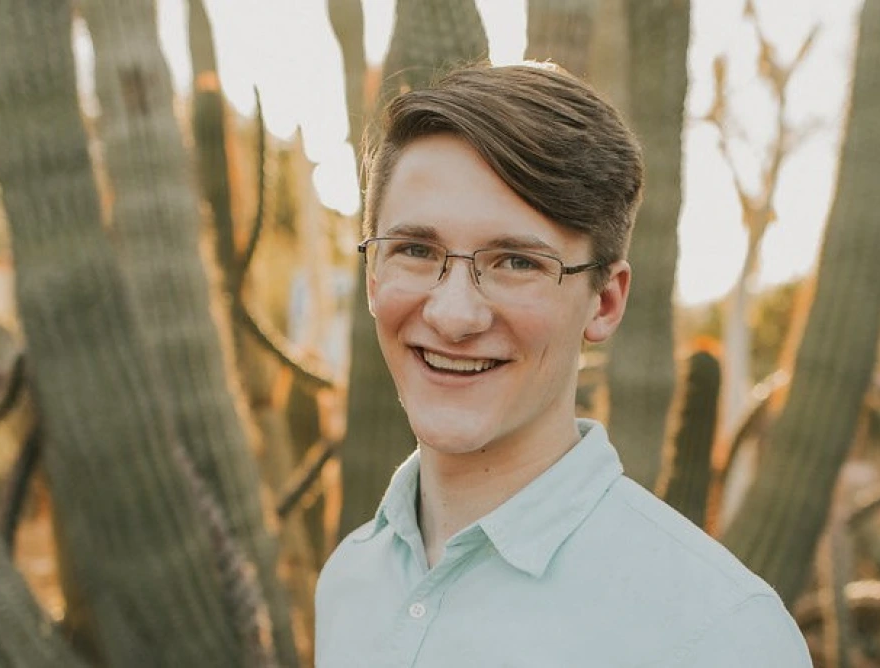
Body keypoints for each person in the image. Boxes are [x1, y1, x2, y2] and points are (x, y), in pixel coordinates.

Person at [315, 62, 812, 667]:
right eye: (416, 250)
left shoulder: (718, 635)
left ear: (604, 302)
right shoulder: (349, 581)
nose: (452, 314)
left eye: (517, 262)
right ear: (372, 276)